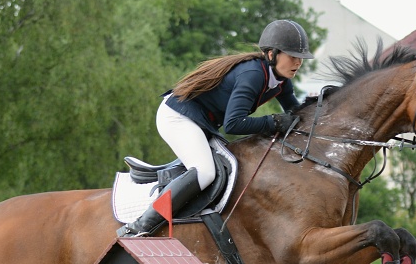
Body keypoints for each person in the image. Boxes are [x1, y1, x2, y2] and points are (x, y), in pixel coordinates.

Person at [117, 19, 313, 237]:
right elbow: (233, 124)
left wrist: (320, 108)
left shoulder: (282, 81)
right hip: (177, 115)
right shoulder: (253, 75)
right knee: (205, 172)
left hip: (201, 120)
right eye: (292, 56)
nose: (298, 62)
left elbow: (295, 112)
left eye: (301, 58)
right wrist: (272, 122)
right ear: (271, 54)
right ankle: (142, 224)